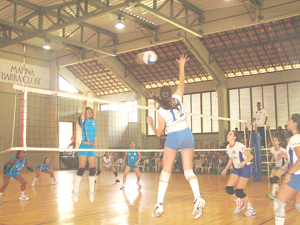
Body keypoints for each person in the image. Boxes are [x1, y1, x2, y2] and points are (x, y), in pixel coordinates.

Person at [146, 55, 205, 220]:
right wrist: (181, 64)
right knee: (188, 171)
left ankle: (159, 205)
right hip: (187, 134)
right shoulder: (177, 99)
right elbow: (181, 81)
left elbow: (159, 134)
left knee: (166, 171)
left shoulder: (160, 111)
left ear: (160, 96)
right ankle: (198, 198)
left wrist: (150, 123)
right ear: (170, 94)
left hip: (173, 136)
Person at [221, 131, 256, 217]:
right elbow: (231, 159)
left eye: (230, 134)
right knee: (229, 188)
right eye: (228, 134)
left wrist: (243, 163)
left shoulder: (239, 146)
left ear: (235, 137)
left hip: (245, 168)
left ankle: (251, 209)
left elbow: (250, 156)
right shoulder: (228, 147)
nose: (228, 135)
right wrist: (225, 169)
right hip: (237, 169)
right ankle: (239, 204)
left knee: (239, 191)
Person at [273, 114, 300, 225]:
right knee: (298, 204)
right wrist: (287, 156)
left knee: (279, 202)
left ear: (295, 123)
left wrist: (289, 173)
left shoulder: (295, 138)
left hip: (297, 175)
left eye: (289, 120)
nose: (287, 122)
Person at [73, 96, 98, 203]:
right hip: (83, 146)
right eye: (87, 112)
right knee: (82, 169)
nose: (89, 113)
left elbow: (96, 107)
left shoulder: (93, 121)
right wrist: (85, 101)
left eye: (90, 112)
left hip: (91, 147)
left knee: (93, 169)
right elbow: (83, 111)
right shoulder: (83, 121)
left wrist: (96, 99)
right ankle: (75, 191)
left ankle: (91, 192)